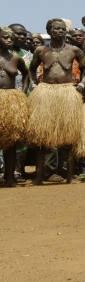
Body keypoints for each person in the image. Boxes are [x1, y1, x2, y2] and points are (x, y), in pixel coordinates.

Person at [27, 19, 85, 185]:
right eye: (57, 29)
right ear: (49, 31)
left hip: (67, 92)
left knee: (69, 136)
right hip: (46, 93)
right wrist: (34, 84)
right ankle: (39, 176)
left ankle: (70, 176)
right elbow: (31, 69)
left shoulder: (74, 50)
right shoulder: (41, 50)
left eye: (63, 29)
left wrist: (82, 83)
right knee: (43, 136)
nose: (61, 31)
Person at [0, 27, 30, 187]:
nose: (10, 40)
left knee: (10, 142)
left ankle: (10, 177)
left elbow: (26, 74)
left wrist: (22, 94)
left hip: (10, 100)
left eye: (11, 38)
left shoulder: (16, 59)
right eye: (6, 37)